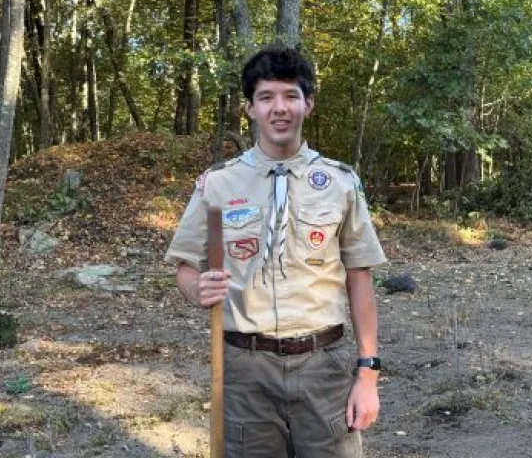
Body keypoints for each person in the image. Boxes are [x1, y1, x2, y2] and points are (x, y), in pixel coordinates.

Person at [165, 46, 386, 457]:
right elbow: (184, 266)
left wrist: (367, 372)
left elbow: (359, 276)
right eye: (266, 97)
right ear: (250, 108)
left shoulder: (340, 182)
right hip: (246, 371)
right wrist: (197, 289)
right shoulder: (218, 184)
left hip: (325, 366)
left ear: (308, 104)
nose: (278, 108)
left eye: (290, 96)